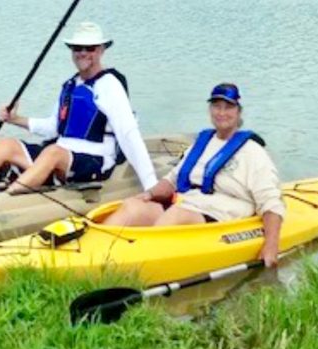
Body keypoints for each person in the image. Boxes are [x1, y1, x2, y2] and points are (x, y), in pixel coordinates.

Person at [0, 21, 157, 196]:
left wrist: (151, 185)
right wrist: (16, 119)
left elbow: (128, 133)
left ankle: (6, 197)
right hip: (61, 154)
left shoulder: (110, 84)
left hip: (95, 160)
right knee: (7, 145)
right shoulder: (70, 85)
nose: (83, 53)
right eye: (77, 48)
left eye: (90, 48)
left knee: (53, 152)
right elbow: (53, 127)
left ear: (102, 50)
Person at [102, 83, 286, 268]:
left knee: (175, 216)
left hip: (220, 214)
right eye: (216, 106)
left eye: (228, 107)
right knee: (132, 206)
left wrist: (271, 245)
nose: (221, 112)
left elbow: (271, 202)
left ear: (238, 112)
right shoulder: (202, 142)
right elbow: (172, 180)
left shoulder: (252, 152)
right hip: (188, 203)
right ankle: (100, 253)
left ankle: (134, 265)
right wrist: (148, 195)